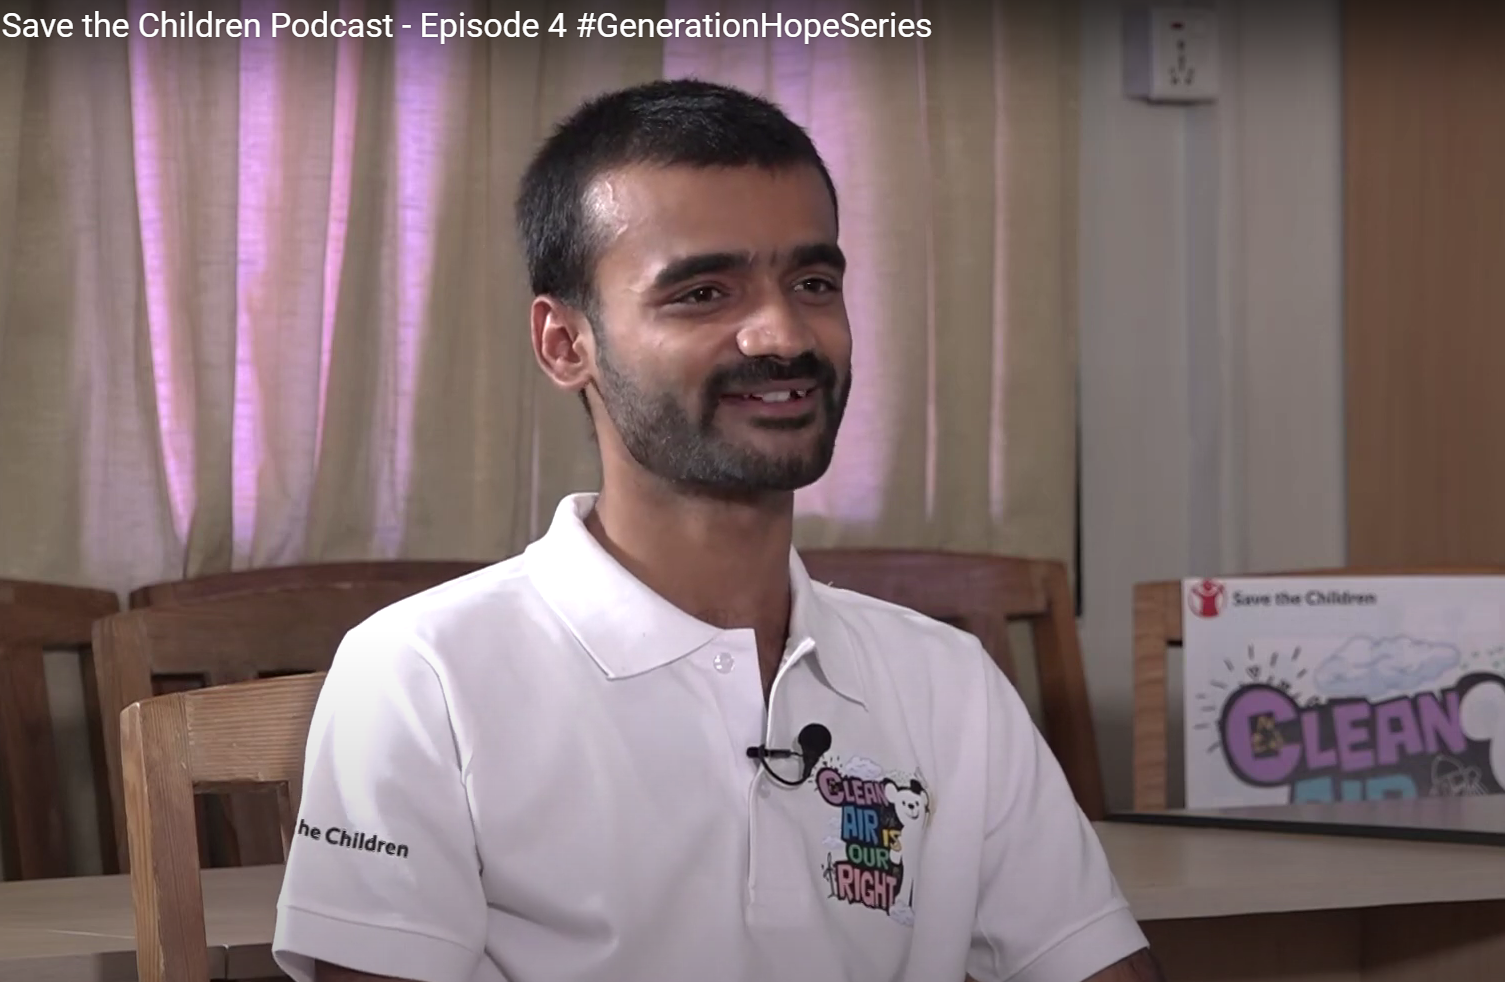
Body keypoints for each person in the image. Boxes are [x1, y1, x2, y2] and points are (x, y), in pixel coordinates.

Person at [271, 78, 1167, 982]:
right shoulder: (424, 675)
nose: (784, 334)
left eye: (813, 283)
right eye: (703, 293)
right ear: (565, 344)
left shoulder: (947, 683)